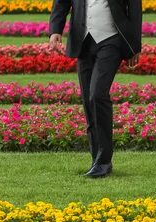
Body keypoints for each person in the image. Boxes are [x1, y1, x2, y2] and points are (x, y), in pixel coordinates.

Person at [49, 0, 142, 178]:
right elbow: (61, 2)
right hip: (83, 41)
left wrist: (134, 46)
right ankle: (97, 159)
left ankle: (104, 161)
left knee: (97, 95)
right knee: (88, 101)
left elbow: (135, 9)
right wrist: (55, 30)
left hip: (112, 39)